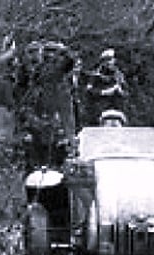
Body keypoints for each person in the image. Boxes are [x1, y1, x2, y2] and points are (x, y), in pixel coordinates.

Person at [14, 40, 77, 171]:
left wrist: (64, 50)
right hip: (42, 110)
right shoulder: (37, 69)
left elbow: (70, 61)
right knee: (38, 145)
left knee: (64, 141)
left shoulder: (60, 67)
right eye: (47, 51)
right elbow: (25, 89)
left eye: (52, 52)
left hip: (60, 107)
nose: (49, 55)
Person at [86, 48, 128, 125]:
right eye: (107, 60)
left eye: (111, 60)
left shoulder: (118, 75)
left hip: (116, 109)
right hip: (100, 108)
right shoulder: (95, 76)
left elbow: (126, 92)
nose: (110, 62)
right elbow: (89, 91)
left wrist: (120, 90)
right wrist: (104, 92)